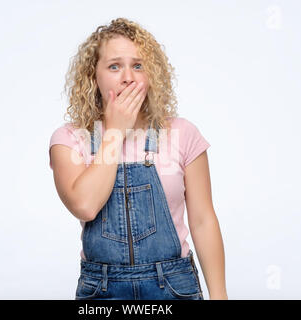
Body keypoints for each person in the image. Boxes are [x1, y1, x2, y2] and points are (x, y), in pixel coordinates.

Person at [49, 18, 228, 300]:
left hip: (173, 286)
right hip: (102, 289)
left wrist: (220, 297)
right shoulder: (70, 139)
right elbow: (85, 206)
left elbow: (203, 221)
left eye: (138, 65)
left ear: (151, 75)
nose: (128, 77)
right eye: (114, 66)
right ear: (93, 76)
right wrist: (115, 130)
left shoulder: (182, 133)